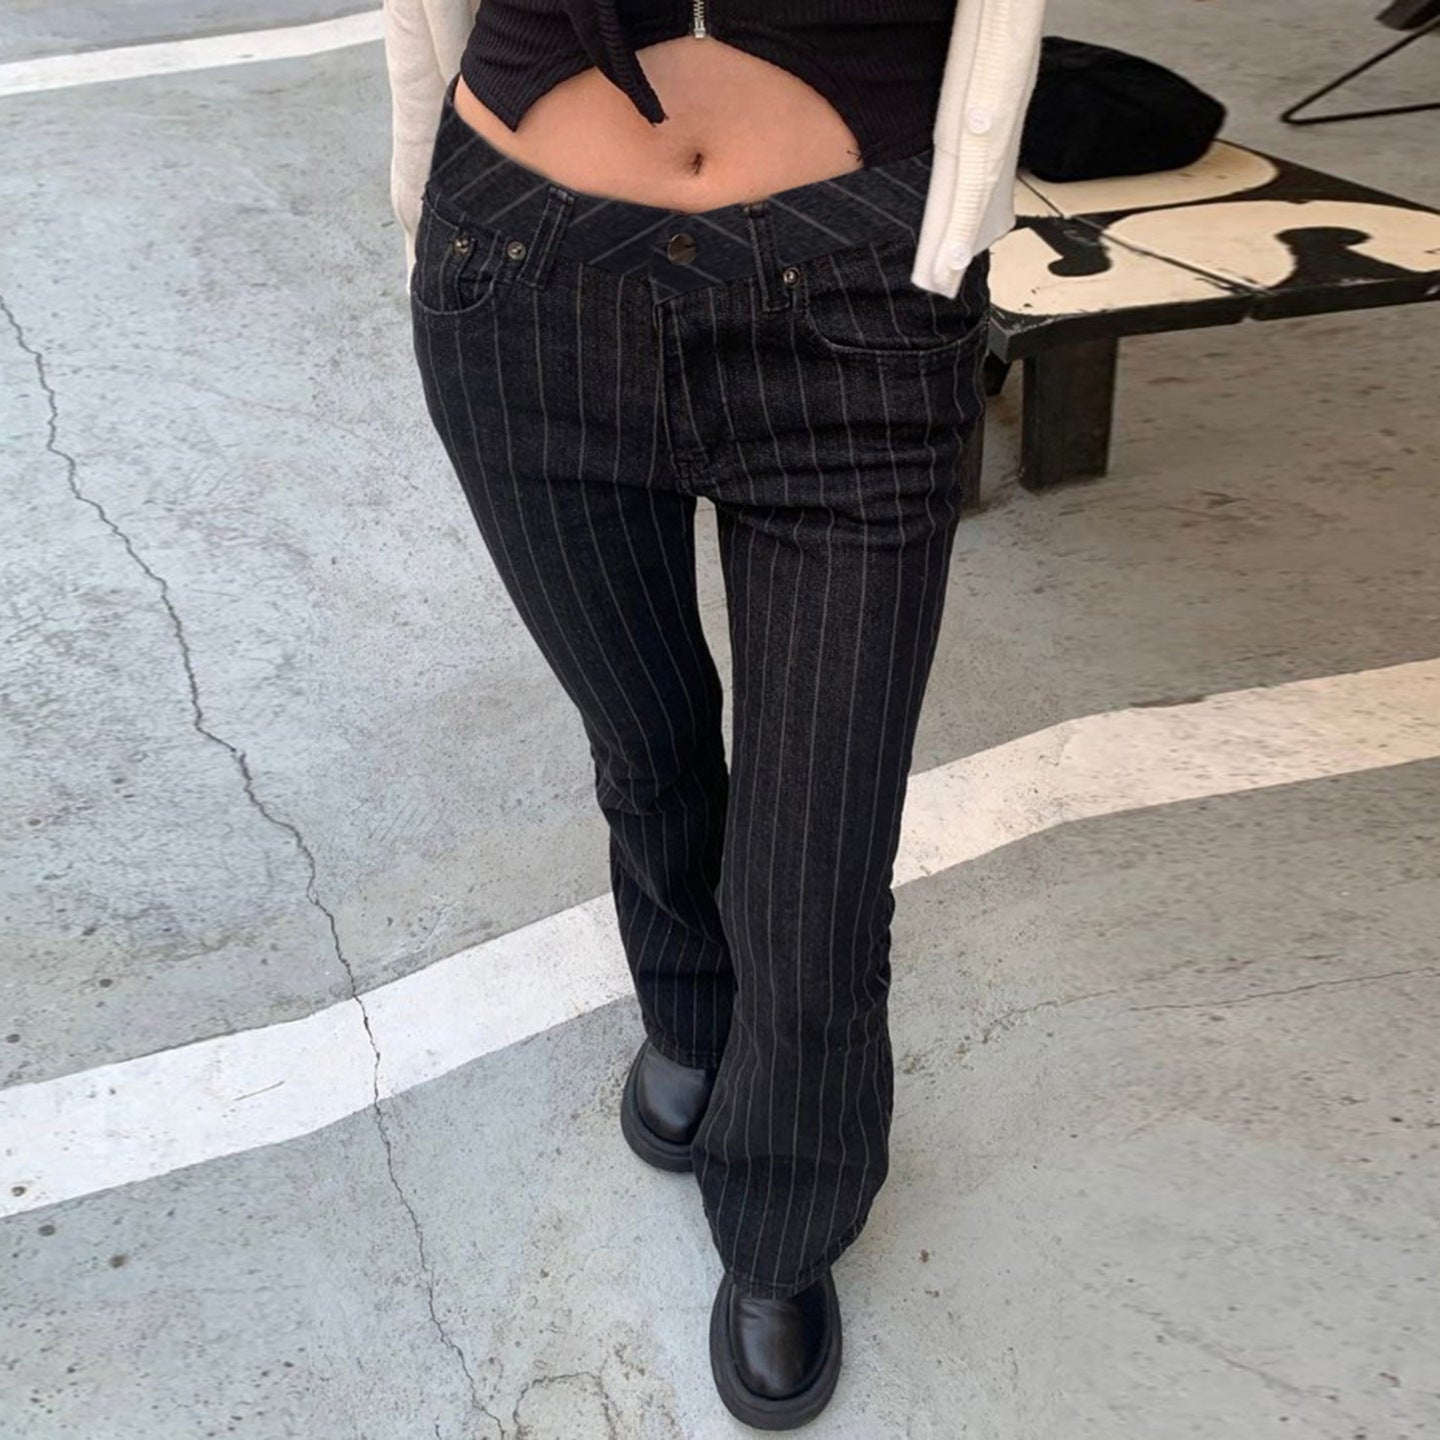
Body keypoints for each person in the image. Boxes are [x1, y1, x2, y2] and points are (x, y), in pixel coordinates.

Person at [382, 0, 1046, 1427]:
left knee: (819, 855)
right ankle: (688, 1011)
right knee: (647, 740)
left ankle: (785, 1214)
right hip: (523, 276)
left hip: (858, 299)